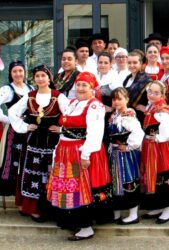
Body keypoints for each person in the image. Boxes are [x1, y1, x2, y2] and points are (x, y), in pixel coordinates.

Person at [47, 71, 112, 240]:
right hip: (65, 151)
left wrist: (86, 154)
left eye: (85, 85)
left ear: (92, 88)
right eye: (79, 84)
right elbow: (70, 124)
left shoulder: (94, 106)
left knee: (81, 186)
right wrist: (61, 132)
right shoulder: (73, 102)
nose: (81, 88)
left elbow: (95, 133)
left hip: (80, 151)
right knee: (70, 186)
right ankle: (74, 221)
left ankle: (86, 226)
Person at [9, 65, 68, 221]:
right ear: (34, 79)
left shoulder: (58, 96)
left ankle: (53, 208)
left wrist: (61, 128)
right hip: (34, 141)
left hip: (52, 141)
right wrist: (25, 127)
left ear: (49, 78)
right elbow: (12, 112)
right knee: (33, 174)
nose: (40, 79)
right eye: (37, 76)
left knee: (51, 173)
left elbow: (71, 114)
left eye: (43, 75)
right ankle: (34, 208)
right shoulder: (29, 96)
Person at [140, 80, 169, 224]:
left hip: (161, 147)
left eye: (156, 93)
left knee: (164, 174)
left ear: (163, 94)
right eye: (150, 92)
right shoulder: (152, 106)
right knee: (155, 175)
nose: (152, 95)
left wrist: (158, 137)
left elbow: (167, 128)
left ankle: (167, 210)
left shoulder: (161, 110)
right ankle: (158, 207)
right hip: (151, 145)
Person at [108, 87, 144, 224]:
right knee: (116, 183)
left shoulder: (128, 116)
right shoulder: (115, 115)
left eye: (119, 99)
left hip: (126, 156)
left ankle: (133, 214)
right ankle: (117, 213)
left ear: (127, 100)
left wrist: (128, 146)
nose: (116, 102)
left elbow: (138, 134)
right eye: (114, 99)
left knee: (129, 181)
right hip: (116, 154)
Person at [0, 61, 33, 201]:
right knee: (12, 158)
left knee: (26, 157)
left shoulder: (31, 88)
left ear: (24, 72)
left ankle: (24, 188)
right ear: (10, 74)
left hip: (29, 129)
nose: (18, 74)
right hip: (13, 131)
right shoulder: (7, 89)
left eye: (20, 71)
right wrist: (7, 119)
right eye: (15, 71)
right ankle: (10, 188)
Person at [123, 51, 152, 124]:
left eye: (135, 63)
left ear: (141, 64)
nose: (131, 65)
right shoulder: (127, 79)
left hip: (140, 116)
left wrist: (147, 108)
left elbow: (154, 100)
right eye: (129, 63)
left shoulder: (147, 80)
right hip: (127, 115)